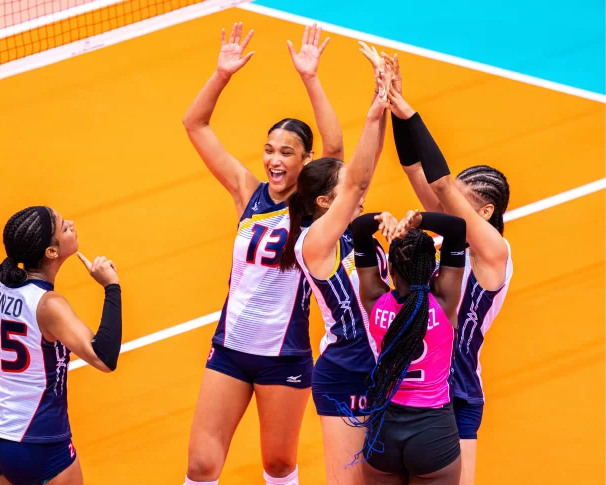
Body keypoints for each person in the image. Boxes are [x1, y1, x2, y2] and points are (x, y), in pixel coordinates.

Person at [181, 22, 344, 485]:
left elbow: (335, 150)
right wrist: (221, 74)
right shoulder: (246, 193)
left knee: (277, 464)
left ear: (305, 161)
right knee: (200, 464)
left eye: (287, 152)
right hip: (229, 350)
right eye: (269, 149)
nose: (274, 159)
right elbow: (195, 125)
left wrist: (311, 79)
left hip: (284, 355)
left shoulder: (315, 208)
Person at [384, 53, 513, 485]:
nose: (449, 201)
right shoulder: (453, 238)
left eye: (463, 197)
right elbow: (414, 169)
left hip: (456, 390)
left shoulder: (493, 252)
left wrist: (411, 112)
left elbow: (439, 184)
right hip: (415, 382)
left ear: (487, 209)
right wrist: (394, 103)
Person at [0, 206, 122, 485]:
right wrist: (111, 287)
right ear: (51, 253)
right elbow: (103, 358)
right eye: (63, 227)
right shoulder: (49, 306)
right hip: (36, 444)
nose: (70, 223)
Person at [278, 60, 392, 485]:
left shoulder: (351, 234)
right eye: (346, 190)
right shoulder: (314, 243)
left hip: (388, 366)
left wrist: (381, 100)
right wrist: (372, 114)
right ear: (326, 202)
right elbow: (358, 183)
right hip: (345, 373)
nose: (360, 191)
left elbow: (368, 166)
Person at [352, 209, 466, 484]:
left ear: (390, 270)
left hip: (384, 429)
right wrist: (420, 220)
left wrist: (382, 218)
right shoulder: (443, 303)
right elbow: (458, 229)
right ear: (433, 269)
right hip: (433, 431)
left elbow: (358, 229)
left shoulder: (375, 302)